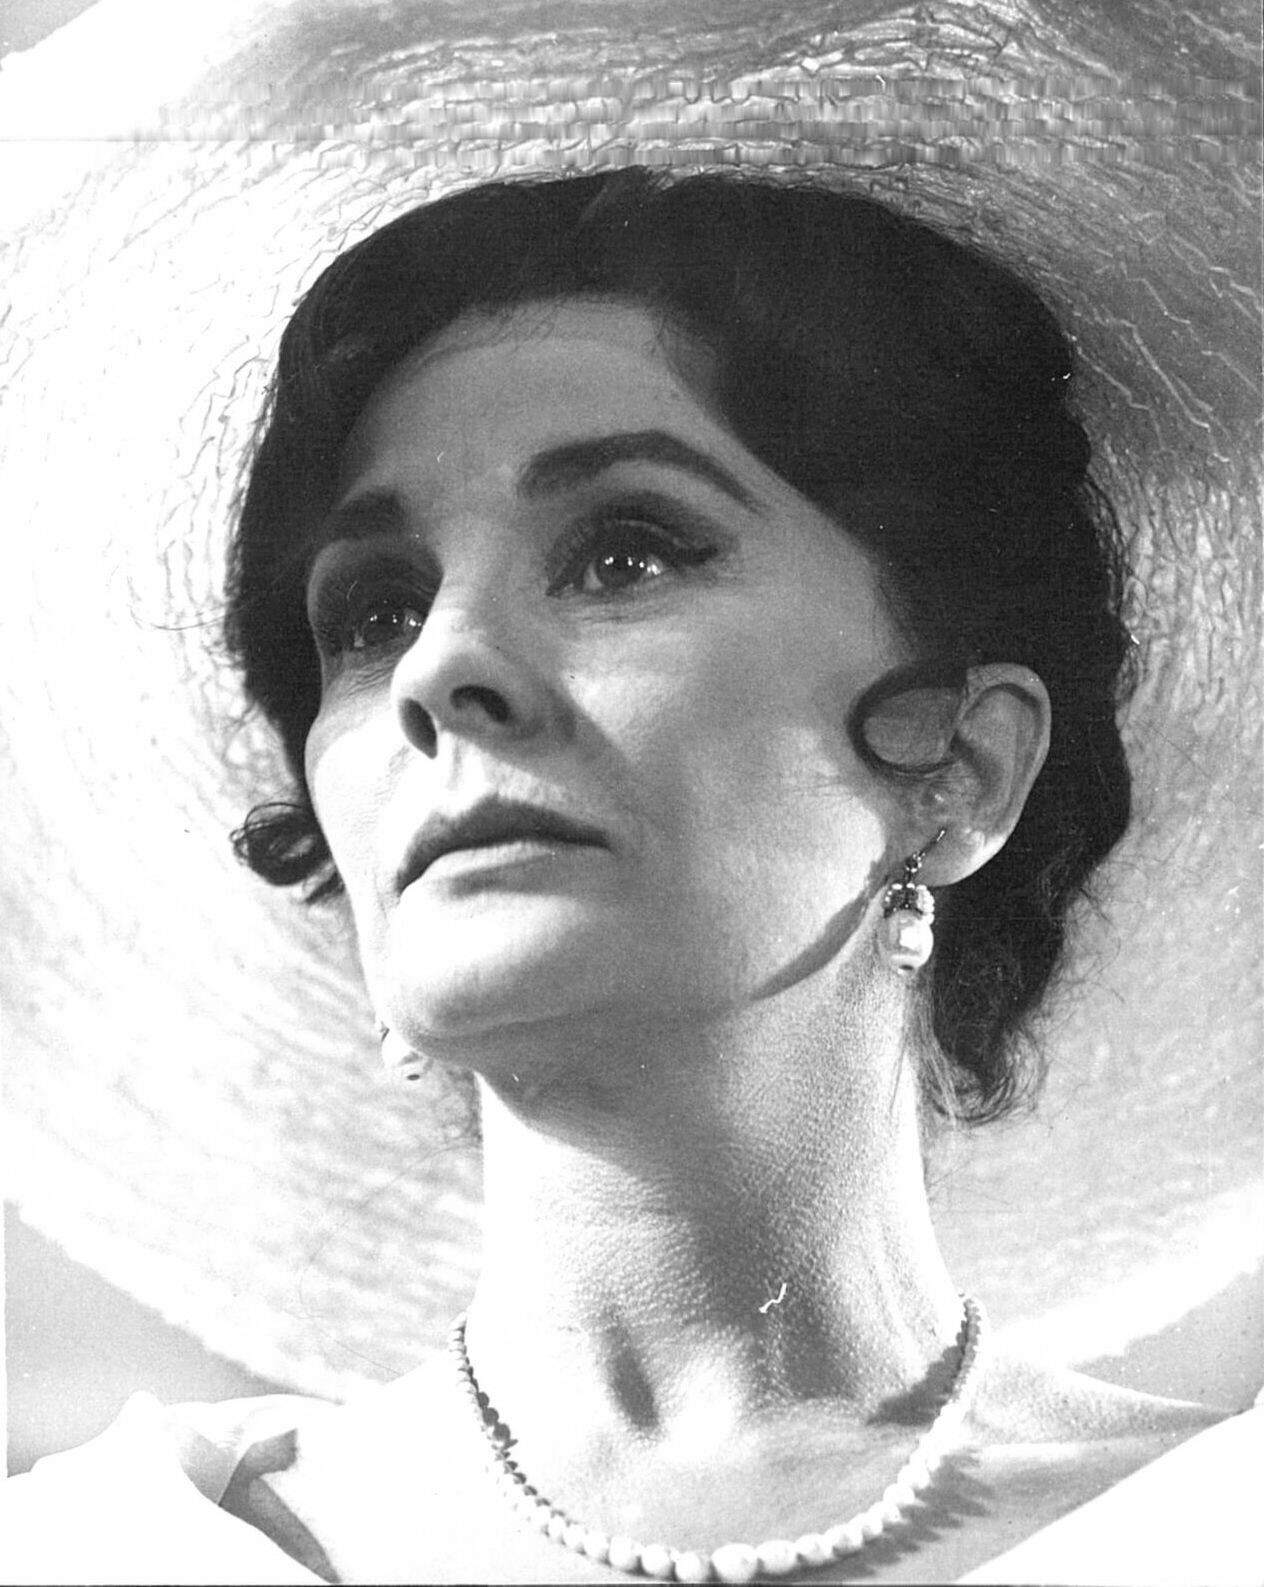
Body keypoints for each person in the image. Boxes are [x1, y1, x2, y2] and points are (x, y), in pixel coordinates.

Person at [4, 166, 1258, 1586]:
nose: (438, 666)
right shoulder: (106, 1556)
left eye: (623, 553)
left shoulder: (1211, 1536)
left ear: (959, 766)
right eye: (375, 612)